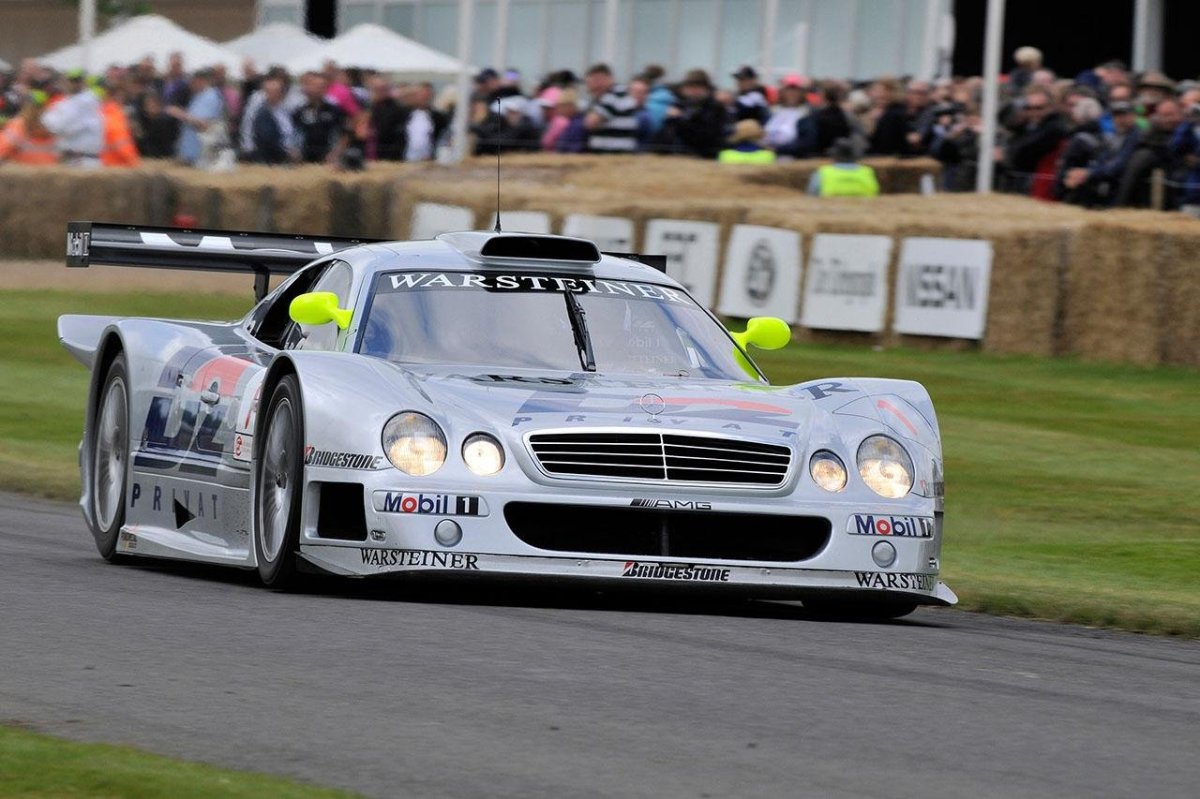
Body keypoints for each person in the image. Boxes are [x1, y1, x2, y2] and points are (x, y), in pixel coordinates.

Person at [1060, 100, 1140, 206]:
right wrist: (1084, 172)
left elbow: (1119, 164)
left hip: (1120, 188)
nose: (1120, 119)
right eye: (1116, 116)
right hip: (1103, 181)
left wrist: (1089, 173)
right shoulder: (1115, 135)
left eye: (1124, 115)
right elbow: (1103, 158)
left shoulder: (1136, 137)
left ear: (1133, 116)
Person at [1002, 86, 1068, 196]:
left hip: (1041, 188)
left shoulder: (1055, 128)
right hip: (1024, 186)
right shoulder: (1028, 127)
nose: (1034, 112)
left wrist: (1005, 154)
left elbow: (1019, 156)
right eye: (1029, 108)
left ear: (1051, 107)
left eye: (1039, 108)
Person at [658, 69, 726, 159]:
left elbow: (707, 136)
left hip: (703, 157)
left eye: (696, 87)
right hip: (676, 156)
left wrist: (680, 119)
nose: (692, 91)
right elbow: (665, 134)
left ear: (705, 88)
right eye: (689, 87)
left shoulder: (714, 108)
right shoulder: (680, 105)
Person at [166, 67, 227, 166]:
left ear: (201, 81)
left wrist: (178, 113)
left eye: (192, 81)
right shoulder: (198, 96)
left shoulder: (211, 96)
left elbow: (204, 124)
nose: (190, 84)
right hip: (190, 154)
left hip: (200, 156)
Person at [42, 69, 103, 166]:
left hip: (84, 160)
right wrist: (53, 122)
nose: (74, 84)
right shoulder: (66, 101)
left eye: (77, 81)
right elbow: (46, 119)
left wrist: (53, 121)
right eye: (71, 80)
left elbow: (64, 128)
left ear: (84, 82)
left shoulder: (87, 100)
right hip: (69, 159)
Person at [582, 63, 639, 154]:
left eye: (598, 80)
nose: (594, 86)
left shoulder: (613, 95)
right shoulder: (615, 94)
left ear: (609, 79)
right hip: (612, 154)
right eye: (591, 82)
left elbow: (591, 122)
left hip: (614, 154)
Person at [292, 71, 345, 163]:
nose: (317, 90)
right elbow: (294, 133)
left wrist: (336, 153)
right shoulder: (299, 110)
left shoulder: (334, 109)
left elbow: (343, 134)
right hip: (304, 156)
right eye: (315, 86)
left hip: (328, 155)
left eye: (322, 87)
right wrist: (295, 151)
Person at [249, 75, 298, 165]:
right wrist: (287, 153)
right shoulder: (262, 114)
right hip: (273, 159)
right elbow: (267, 140)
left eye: (276, 91)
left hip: (290, 155)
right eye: (268, 91)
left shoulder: (286, 111)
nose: (271, 94)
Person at [764, 75, 816, 157]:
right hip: (768, 157)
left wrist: (778, 150)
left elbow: (807, 142)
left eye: (796, 90)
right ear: (782, 92)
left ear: (802, 93)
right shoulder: (772, 111)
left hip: (793, 160)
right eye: (788, 90)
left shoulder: (808, 113)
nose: (792, 93)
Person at [0, 91, 58, 165]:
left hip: (45, 172)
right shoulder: (16, 126)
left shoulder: (50, 125)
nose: (34, 111)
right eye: (32, 107)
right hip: (24, 172)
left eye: (38, 107)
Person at [807, 138, 879, 197]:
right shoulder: (867, 172)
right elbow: (875, 192)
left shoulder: (823, 172)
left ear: (834, 155)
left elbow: (812, 195)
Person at [98, 83, 140, 167]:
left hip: (103, 162)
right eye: (121, 96)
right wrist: (133, 162)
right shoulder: (115, 115)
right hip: (117, 163)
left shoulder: (100, 111)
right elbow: (121, 142)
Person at [133, 91, 178, 159]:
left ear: (159, 106)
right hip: (144, 156)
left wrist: (141, 136)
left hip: (162, 156)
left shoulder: (165, 122)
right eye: (148, 104)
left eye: (153, 104)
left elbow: (163, 144)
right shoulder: (141, 119)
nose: (150, 107)